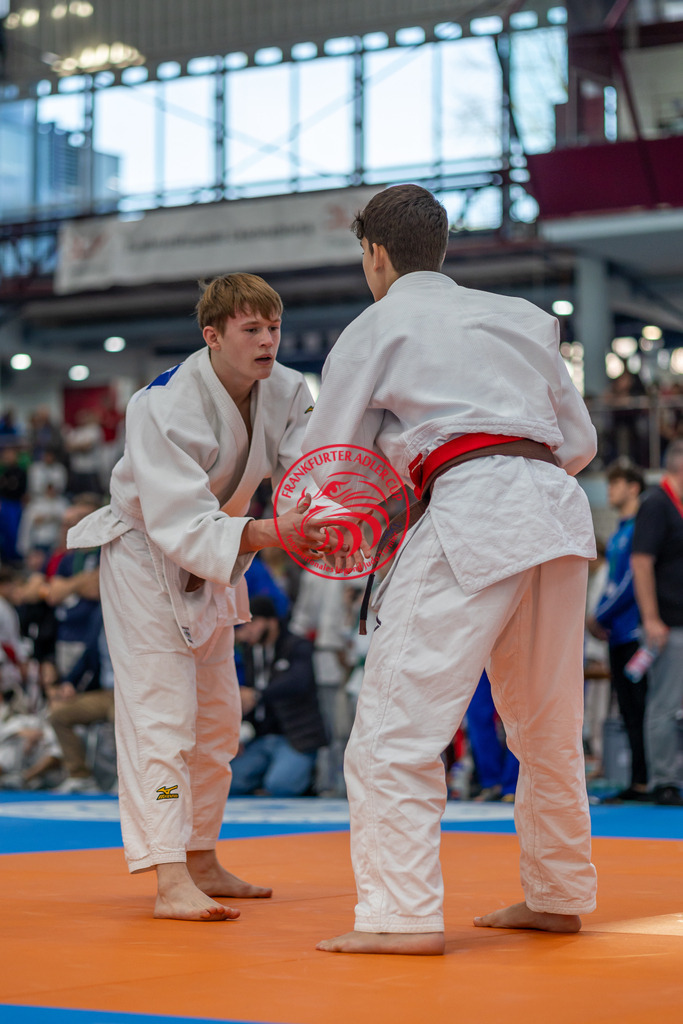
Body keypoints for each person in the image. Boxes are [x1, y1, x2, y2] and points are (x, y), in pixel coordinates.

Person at [302, 184, 598, 955]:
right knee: (547, 722)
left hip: (473, 505)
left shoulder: (376, 327)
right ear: (441, 248)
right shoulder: (522, 320)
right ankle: (558, 894)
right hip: (557, 509)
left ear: (373, 254)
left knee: (394, 728)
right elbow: (578, 439)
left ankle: (399, 915)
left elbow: (326, 461)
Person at [66, 273, 324, 921]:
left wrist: (322, 516)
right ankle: (168, 874)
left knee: (217, 722)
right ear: (213, 336)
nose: (268, 342)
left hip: (218, 561)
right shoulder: (163, 405)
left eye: (273, 328)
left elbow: (303, 473)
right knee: (163, 718)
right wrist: (272, 533)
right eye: (251, 330)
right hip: (148, 560)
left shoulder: (289, 389)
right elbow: (177, 519)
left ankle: (203, 855)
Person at [587, 459, 648, 801]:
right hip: (616, 633)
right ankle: (638, 777)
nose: (609, 490)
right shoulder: (619, 533)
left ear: (633, 487)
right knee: (627, 710)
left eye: (616, 484)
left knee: (640, 709)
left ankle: (644, 778)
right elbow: (614, 582)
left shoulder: (640, 528)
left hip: (632, 633)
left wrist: (600, 616)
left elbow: (630, 583)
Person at [631, 439, 683, 806]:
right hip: (666, 623)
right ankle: (663, 779)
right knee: (665, 704)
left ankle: (672, 775)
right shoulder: (656, 504)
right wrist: (651, 618)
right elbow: (641, 561)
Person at [231, 596, 327, 797]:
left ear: (271, 621)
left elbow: (297, 682)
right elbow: (246, 695)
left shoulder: (297, 646)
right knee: (230, 781)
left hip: (295, 737)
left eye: (252, 623)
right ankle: (265, 774)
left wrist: (258, 695)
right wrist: (237, 732)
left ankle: (299, 775)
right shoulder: (250, 651)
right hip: (260, 738)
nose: (246, 631)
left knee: (280, 786)